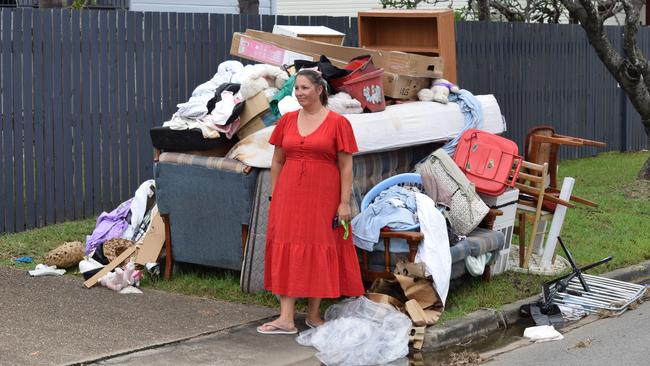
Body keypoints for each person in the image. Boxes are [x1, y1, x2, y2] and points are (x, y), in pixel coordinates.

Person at [257, 69, 365, 335]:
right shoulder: (287, 121)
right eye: (297, 88)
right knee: (286, 245)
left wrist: (343, 203)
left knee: (320, 246)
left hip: (323, 197)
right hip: (288, 195)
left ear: (319, 90)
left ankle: (314, 315)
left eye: (305, 88)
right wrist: (275, 195)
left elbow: (346, 167)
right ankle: (285, 318)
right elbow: (277, 160)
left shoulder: (338, 123)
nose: (299, 93)